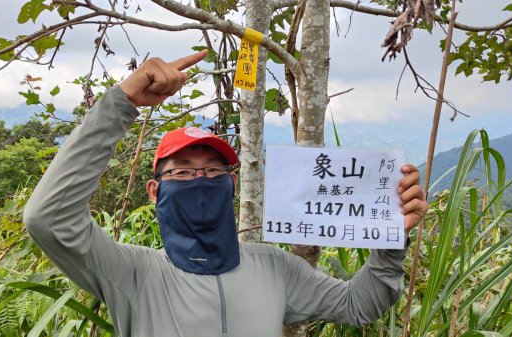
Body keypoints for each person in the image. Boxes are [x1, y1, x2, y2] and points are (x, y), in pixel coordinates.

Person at [23, 50, 428, 337]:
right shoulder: (132, 274)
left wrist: (390, 233)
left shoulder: (275, 267)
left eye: (213, 170)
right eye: (182, 172)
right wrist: (122, 102)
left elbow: (358, 307)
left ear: (231, 183)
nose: (200, 180)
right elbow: (48, 218)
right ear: (154, 190)